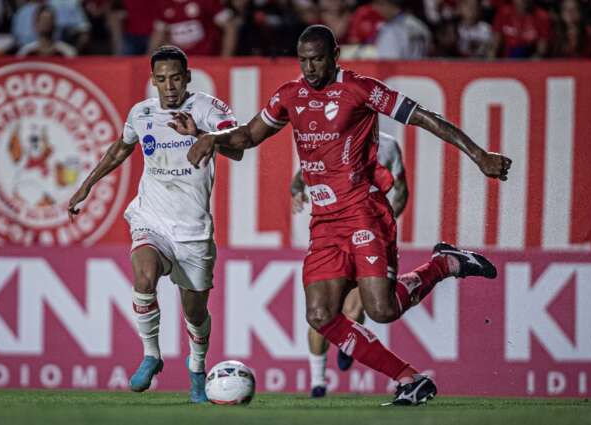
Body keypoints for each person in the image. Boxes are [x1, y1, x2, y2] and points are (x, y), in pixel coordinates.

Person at [170, 25, 512, 405]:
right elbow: (248, 137)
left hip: (364, 211)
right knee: (320, 315)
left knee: (382, 310)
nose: (310, 67)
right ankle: (409, 379)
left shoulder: (360, 89)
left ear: (335, 55)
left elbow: (424, 117)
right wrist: (209, 135)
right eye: (303, 60)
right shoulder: (289, 96)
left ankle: (444, 264)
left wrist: (479, 155)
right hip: (325, 221)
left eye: (317, 59)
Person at [67, 45, 243, 403]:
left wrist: (202, 135)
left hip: (193, 230)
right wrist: (87, 184)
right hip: (152, 218)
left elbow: (238, 147)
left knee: (194, 313)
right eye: (161, 80)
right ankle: (152, 354)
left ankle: (197, 370)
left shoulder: (208, 108)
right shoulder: (141, 112)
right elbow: (121, 148)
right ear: (153, 81)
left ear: (187, 77)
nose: (169, 87)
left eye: (176, 78)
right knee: (143, 277)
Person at [290, 131, 409, 398]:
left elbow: (402, 190)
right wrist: (296, 193)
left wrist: (383, 222)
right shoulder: (328, 138)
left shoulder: (388, 146)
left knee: (356, 309)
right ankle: (318, 382)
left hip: (367, 235)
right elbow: (299, 180)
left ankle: (347, 346)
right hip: (331, 236)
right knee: (322, 315)